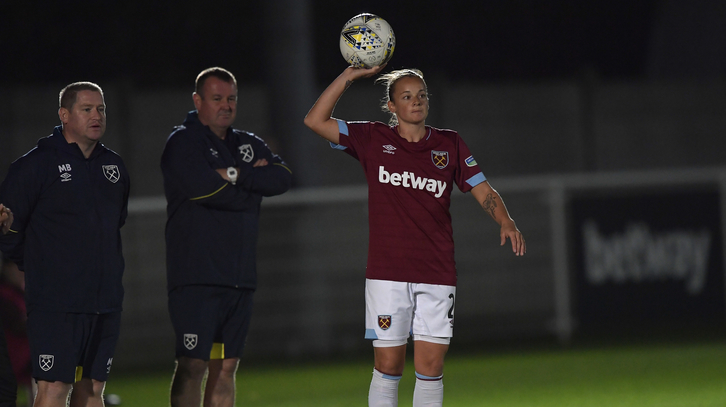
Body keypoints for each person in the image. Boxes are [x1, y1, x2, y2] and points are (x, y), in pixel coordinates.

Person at [304, 66, 526, 407]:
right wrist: (350, 76)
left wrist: (506, 220)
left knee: (431, 366)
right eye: (406, 96)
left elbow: (482, 189)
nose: (417, 101)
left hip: (437, 272)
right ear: (391, 106)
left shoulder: (448, 144)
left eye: (421, 94)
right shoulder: (372, 138)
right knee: (388, 366)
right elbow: (315, 121)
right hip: (387, 273)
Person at [161, 67, 292, 407]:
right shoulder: (182, 142)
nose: (226, 106)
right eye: (217, 99)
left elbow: (281, 178)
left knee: (226, 367)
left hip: (238, 277)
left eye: (231, 98)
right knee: (192, 364)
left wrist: (232, 175)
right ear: (197, 101)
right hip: (196, 276)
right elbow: (205, 189)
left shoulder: (246, 142)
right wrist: (249, 184)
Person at [0, 82, 130, 407]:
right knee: (55, 388)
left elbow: (115, 224)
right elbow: (9, 231)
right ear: (64, 115)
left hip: (104, 300)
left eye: (101, 109)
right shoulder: (34, 167)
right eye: (86, 109)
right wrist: (40, 268)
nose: (96, 115)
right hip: (56, 303)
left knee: (92, 390)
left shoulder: (113, 168)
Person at [0, 257, 32, 406]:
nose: (22, 274)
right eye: (18, 269)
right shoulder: (4, 294)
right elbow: (17, 325)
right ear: (6, 269)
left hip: (25, 356)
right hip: (12, 357)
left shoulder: (21, 293)